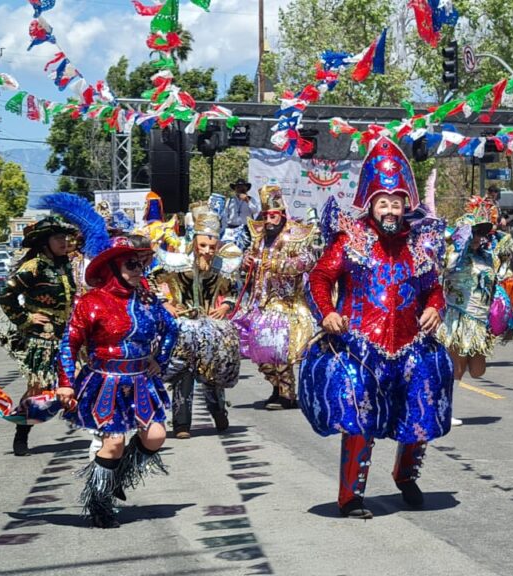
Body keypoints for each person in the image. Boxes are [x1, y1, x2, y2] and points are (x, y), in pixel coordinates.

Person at [299, 138, 453, 519]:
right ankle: (351, 496)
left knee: (424, 395)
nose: (390, 209)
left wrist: (435, 308)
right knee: (359, 411)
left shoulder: (418, 245)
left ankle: (406, 475)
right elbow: (318, 278)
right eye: (383, 202)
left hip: (410, 347)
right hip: (359, 347)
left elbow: (434, 289)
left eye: (396, 202)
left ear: (406, 204)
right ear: (370, 203)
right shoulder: (350, 240)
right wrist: (327, 313)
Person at [56, 234, 180, 527]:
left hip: (141, 381)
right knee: (113, 444)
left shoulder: (147, 300)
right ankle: (99, 503)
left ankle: (115, 477)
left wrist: (159, 360)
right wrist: (65, 381)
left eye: (140, 264)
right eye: (131, 265)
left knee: (155, 436)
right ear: (112, 268)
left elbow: (171, 329)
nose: (139, 270)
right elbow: (69, 343)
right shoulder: (91, 302)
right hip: (105, 383)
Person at [152, 205, 243, 439]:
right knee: (183, 372)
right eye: (203, 246)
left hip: (212, 326)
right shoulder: (177, 263)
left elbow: (233, 290)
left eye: (212, 247)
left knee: (213, 372)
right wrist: (166, 303)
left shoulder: (222, 266)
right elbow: (151, 281)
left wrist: (225, 306)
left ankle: (219, 412)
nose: (207, 251)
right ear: (194, 243)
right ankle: (181, 424)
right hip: (183, 325)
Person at [0, 215, 77, 456]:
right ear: (44, 242)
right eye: (58, 238)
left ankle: (97, 430)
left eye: (65, 237)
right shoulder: (34, 266)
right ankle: (21, 436)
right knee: (38, 388)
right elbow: (5, 294)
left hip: (67, 334)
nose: (63, 242)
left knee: (77, 381)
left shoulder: (64, 265)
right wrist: (26, 319)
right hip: (42, 337)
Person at [236, 185, 320, 410]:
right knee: (259, 350)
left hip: (286, 302)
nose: (268, 221)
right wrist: (246, 261)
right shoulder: (260, 237)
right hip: (260, 302)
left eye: (272, 216)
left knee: (277, 348)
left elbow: (307, 261)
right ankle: (277, 387)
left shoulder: (296, 236)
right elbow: (249, 258)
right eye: (265, 216)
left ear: (282, 214)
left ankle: (286, 394)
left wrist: (275, 264)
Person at [438, 196, 513, 383]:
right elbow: (447, 267)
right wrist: (460, 242)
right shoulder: (454, 255)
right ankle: (445, 397)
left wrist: (507, 318)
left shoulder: (487, 257)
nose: (478, 238)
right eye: (474, 233)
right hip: (458, 320)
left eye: (481, 233)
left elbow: (495, 285)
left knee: (477, 371)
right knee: (456, 372)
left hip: (480, 321)